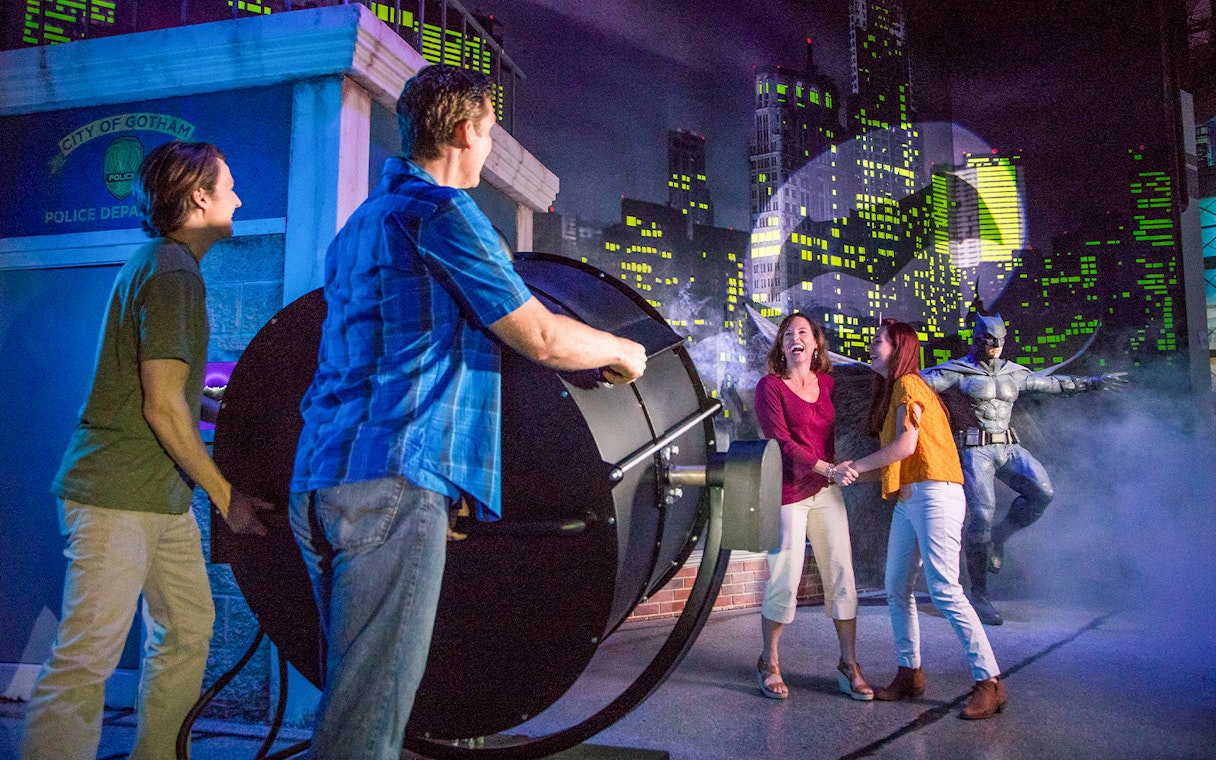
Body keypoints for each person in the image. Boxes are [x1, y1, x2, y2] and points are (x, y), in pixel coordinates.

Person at [288, 64, 647, 760]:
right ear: (462, 130)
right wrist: (621, 350)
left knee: (351, 695)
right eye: (488, 132)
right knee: (369, 717)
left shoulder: (362, 224)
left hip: (322, 479)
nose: (488, 148)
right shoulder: (442, 214)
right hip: (392, 483)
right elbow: (537, 335)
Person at [22, 141, 273, 760]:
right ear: (198, 197)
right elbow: (162, 407)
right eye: (230, 186)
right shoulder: (170, 273)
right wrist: (227, 496)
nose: (239, 198)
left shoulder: (163, 267)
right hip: (116, 494)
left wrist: (224, 412)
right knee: (87, 657)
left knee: (188, 628)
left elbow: (169, 393)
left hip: (157, 497)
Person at [840, 318, 1006, 720]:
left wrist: (853, 465)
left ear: (899, 350)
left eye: (879, 341)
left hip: (936, 495)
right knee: (896, 586)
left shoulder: (910, 384)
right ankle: (909, 673)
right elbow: (898, 461)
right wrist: (845, 473)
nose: (871, 345)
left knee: (946, 590)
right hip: (910, 498)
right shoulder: (897, 389)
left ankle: (990, 682)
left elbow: (904, 445)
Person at [921, 312, 1126, 625]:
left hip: (1008, 446)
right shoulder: (957, 371)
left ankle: (1000, 537)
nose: (995, 346)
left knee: (1043, 493)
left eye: (1000, 340)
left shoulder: (1013, 372)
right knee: (981, 515)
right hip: (975, 450)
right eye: (989, 340)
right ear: (976, 340)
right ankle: (979, 594)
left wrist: (1094, 384)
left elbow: (1054, 384)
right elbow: (914, 384)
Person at [752, 313, 872, 701]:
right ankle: (769, 661)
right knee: (784, 576)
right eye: (788, 335)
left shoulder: (829, 384)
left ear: (816, 343)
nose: (795, 338)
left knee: (841, 573)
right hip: (788, 491)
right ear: (781, 347)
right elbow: (781, 442)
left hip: (826, 491)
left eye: (802, 332)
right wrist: (828, 468)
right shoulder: (770, 387)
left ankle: (848, 664)